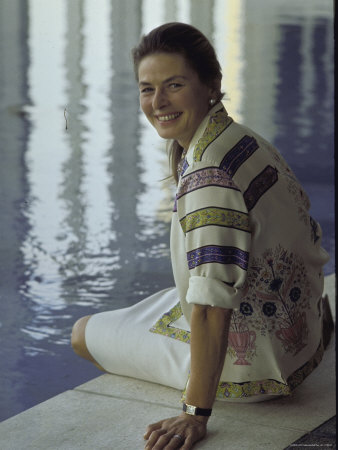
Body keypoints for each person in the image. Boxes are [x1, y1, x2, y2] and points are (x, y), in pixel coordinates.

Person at [71, 23, 333, 449]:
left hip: (258, 365)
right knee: (162, 303)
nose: (158, 103)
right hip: (303, 333)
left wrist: (194, 414)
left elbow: (212, 309)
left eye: (173, 85)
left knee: (83, 333)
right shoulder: (239, 139)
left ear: (211, 84)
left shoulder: (209, 176)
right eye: (147, 88)